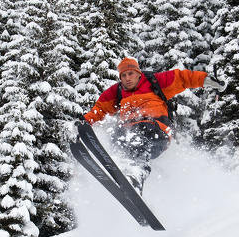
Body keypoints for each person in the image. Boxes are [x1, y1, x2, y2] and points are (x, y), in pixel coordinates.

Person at [83, 57, 226, 192]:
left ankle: (135, 174)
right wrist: (84, 124)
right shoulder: (117, 92)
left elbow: (183, 78)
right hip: (129, 132)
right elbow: (99, 110)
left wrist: (208, 81)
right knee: (117, 135)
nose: (127, 78)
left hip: (156, 131)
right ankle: (124, 174)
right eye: (124, 75)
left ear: (138, 74)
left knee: (138, 133)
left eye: (131, 74)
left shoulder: (154, 81)